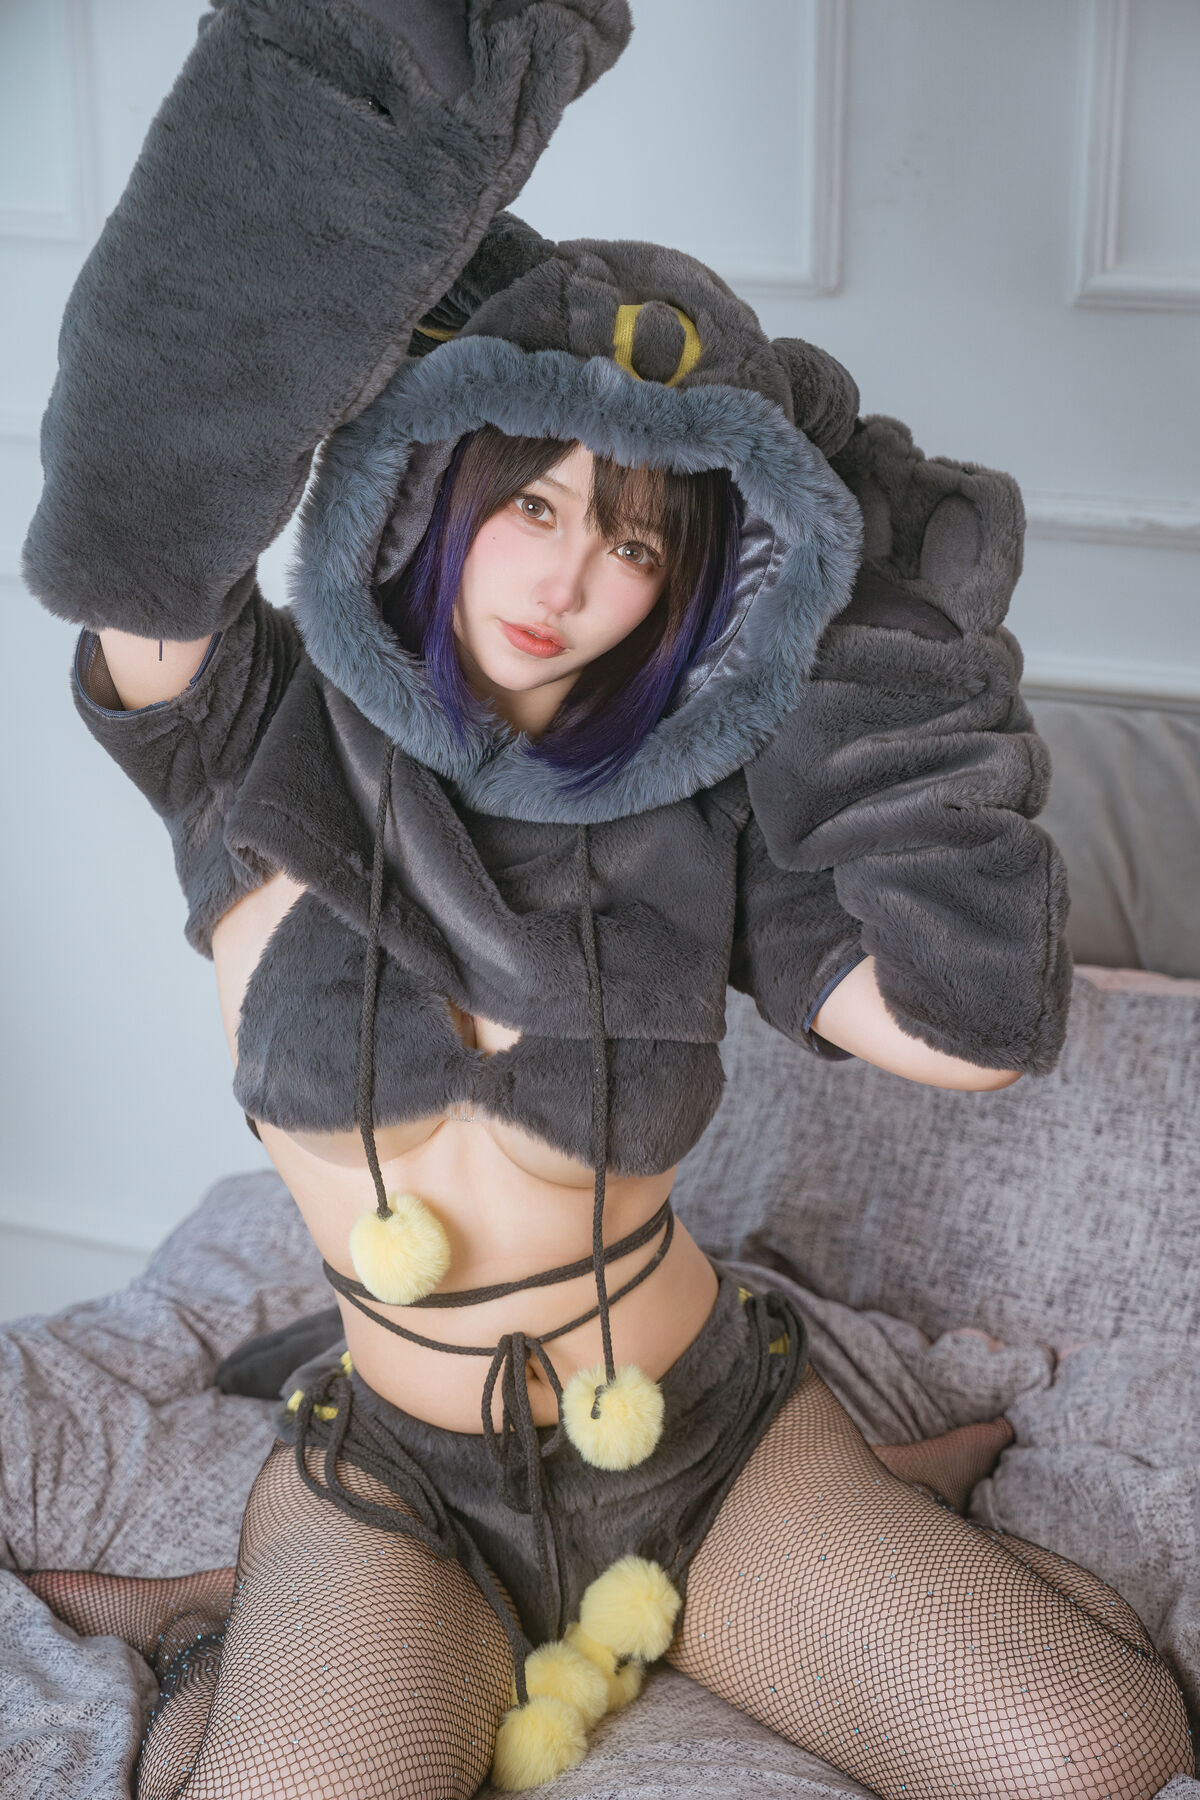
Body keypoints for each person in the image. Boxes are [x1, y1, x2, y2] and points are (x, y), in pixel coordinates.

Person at [19, 2, 1194, 1796]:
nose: (568, 574)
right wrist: (346, 119)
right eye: (532, 500)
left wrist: (890, 668)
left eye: (635, 538)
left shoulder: (705, 805)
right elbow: (136, 529)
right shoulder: (256, 741)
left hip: (701, 1443)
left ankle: (860, 1515)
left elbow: (968, 1028)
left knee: (1098, 1747)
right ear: (436, 485)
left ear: (688, 586)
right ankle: (239, 1614)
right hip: (407, 1484)